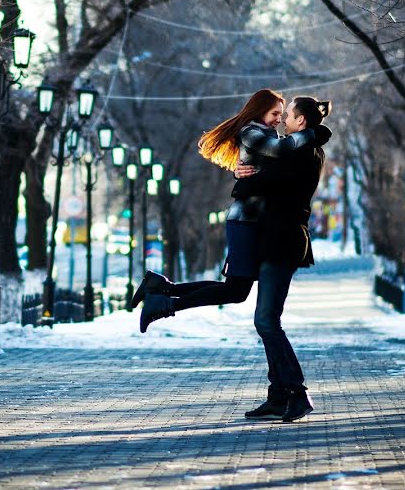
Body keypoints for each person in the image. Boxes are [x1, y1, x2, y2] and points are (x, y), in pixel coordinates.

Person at [132, 89, 327, 334]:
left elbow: (274, 164)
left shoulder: (270, 134)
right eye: (275, 113)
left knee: (235, 289)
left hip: (254, 222)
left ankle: (161, 289)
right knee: (235, 290)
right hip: (244, 221)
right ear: (260, 111)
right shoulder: (252, 131)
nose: (279, 118)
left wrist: (242, 173)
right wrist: (313, 132)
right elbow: (280, 151)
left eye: (282, 114)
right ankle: (165, 301)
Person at [232, 96, 332, 422]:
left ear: (301, 122)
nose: (283, 121)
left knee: (266, 321)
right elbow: (264, 172)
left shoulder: (303, 155)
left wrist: (243, 179)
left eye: (287, 115)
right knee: (267, 321)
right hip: (277, 241)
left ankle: (297, 392)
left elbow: (256, 184)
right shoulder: (303, 151)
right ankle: (278, 396)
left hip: (283, 242)